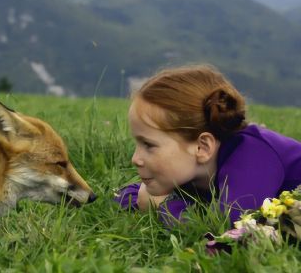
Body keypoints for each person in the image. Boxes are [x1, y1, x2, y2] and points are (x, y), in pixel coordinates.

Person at [114, 64, 301, 226]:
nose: (135, 159)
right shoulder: (190, 170)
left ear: (202, 147)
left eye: (149, 145)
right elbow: (128, 194)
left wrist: (163, 207)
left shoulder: (252, 156)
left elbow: (233, 227)